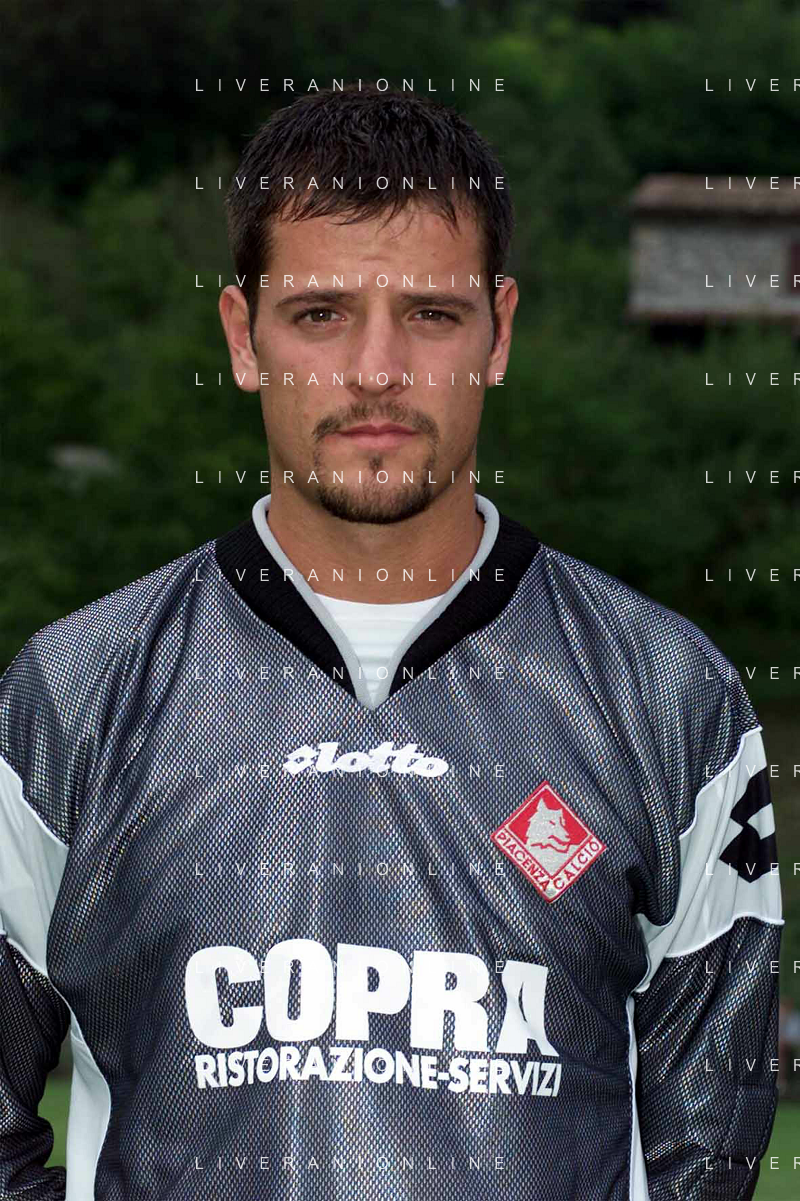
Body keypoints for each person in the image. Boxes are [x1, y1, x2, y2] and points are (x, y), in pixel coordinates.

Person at [0, 85, 784, 1201]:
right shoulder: (74, 695)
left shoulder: (667, 696)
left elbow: (708, 1151)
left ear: (499, 331)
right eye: (321, 313)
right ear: (243, 337)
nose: (376, 369)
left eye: (430, 314)